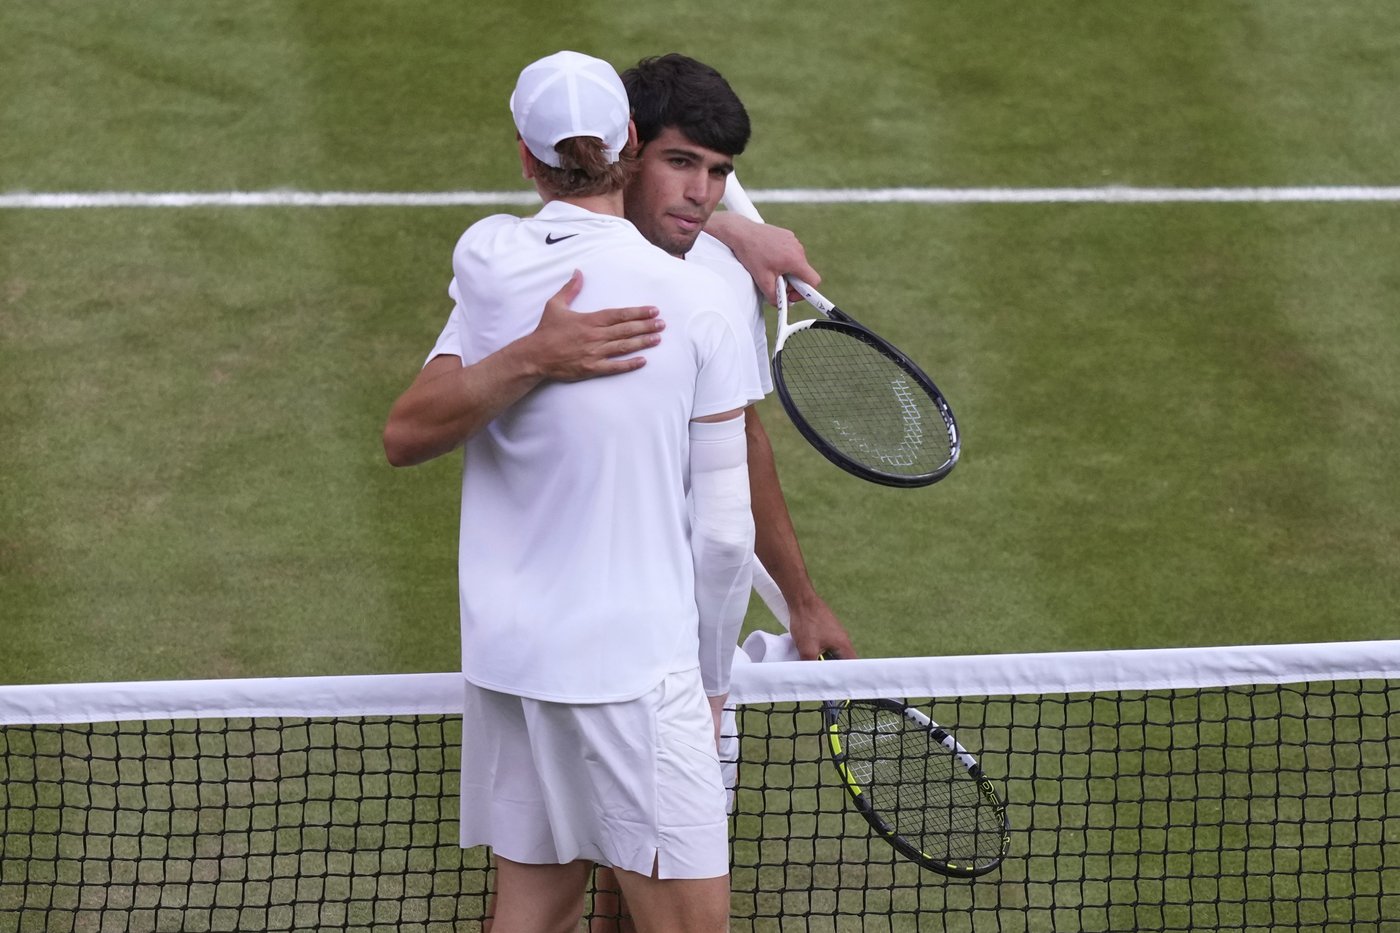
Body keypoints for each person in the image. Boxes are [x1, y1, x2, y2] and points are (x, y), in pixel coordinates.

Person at [384, 51, 758, 933]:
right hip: (636, 672)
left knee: (529, 918)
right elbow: (726, 537)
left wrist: (743, 230)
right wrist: (708, 689)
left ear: (525, 157)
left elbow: (410, 426)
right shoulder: (699, 303)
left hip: (512, 665)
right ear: (633, 141)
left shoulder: (485, 260)